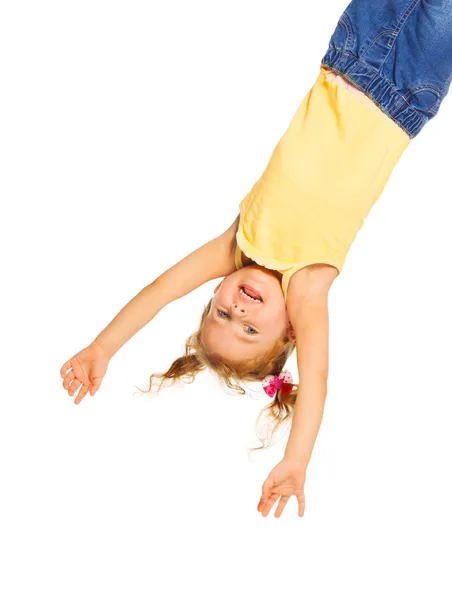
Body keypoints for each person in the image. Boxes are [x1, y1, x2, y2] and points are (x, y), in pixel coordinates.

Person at [60, 0, 452, 518]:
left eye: (223, 314)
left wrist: (102, 347)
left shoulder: (235, 243)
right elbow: (317, 378)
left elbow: (159, 290)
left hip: (349, 54)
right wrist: (297, 458)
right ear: (288, 330)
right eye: (250, 331)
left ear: (214, 295)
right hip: (407, 85)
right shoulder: (307, 289)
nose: (239, 312)